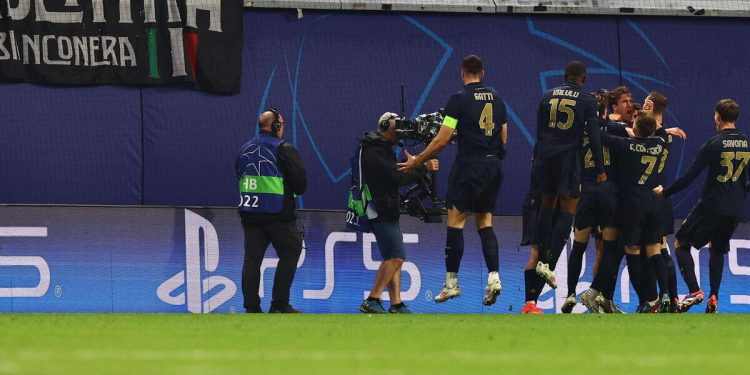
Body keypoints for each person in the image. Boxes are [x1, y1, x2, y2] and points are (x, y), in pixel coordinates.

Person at [397, 54, 507, 306]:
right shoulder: (498, 99)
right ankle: (494, 278)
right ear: (483, 73)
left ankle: (451, 283)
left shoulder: (459, 99)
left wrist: (418, 160)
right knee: (485, 222)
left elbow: (443, 138)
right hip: (493, 166)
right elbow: (504, 137)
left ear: (462, 73)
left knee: (456, 221)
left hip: (468, 165)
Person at [654, 99, 749, 313]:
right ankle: (714, 298)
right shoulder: (746, 143)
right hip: (734, 209)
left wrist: (664, 193)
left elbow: (689, 177)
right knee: (717, 249)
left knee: (680, 244)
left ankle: (695, 290)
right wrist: (739, 187)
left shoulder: (714, 144)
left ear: (717, 116)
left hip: (712, 205)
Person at [532, 61, 606, 295]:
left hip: (544, 158)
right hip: (568, 158)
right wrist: (601, 168)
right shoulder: (586, 100)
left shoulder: (546, 96)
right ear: (583, 79)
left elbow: (539, 133)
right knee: (567, 210)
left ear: (565, 76)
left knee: (546, 206)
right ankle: (549, 263)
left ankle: (542, 254)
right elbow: (594, 136)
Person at [586, 114, 669, 313]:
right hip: (653, 204)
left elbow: (598, 135)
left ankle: (648, 301)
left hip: (632, 206)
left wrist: (609, 122)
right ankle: (661, 296)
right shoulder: (659, 143)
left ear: (635, 128)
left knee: (632, 252)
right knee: (653, 251)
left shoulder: (626, 145)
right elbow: (659, 133)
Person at [358, 112, 438, 314]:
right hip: (380, 210)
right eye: (397, 128)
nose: (401, 132)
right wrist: (422, 167)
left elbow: (395, 175)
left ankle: (396, 303)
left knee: (392, 257)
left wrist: (417, 165)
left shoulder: (381, 148)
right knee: (396, 256)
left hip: (387, 209)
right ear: (385, 127)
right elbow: (395, 178)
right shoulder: (374, 150)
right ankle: (372, 299)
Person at [236, 108, 307, 313]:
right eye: (282, 124)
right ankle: (279, 305)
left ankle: (251, 308)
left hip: (250, 213)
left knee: (252, 260)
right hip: (279, 215)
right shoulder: (284, 149)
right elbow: (300, 184)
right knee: (290, 252)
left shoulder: (244, 149)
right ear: (276, 126)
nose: (282, 128)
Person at [562, 89, 621, 314]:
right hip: (608, 193)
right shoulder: (617, 130)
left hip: (585, 192)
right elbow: (636, 132)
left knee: (578, 246)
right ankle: (599, 295)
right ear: (606, 109)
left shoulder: (577, 133)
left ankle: (570, 293)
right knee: (609, 249)